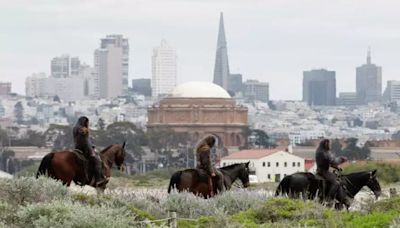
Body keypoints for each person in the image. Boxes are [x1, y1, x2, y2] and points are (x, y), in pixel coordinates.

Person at [73, 116, 107, 186]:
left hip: (77, 147)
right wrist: (91, 151)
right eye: (88, 122)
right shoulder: (83, 129)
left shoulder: (75, 128)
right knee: (97, 160)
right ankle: (99, 179)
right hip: (84, 148)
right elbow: (86, 141)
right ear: (85, 122)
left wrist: (92, 145)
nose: (88, 124)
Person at [315, 139, 348, 205]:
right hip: (323, 171)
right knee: (336, 183)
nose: (330, 146)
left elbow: (330, 163)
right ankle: (329, 199)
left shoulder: (321, 151)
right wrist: (341, 159)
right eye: (329, 144)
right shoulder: (323, 152)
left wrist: (337, 168)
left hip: (322, 170)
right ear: (326, 144)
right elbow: (333, 161)